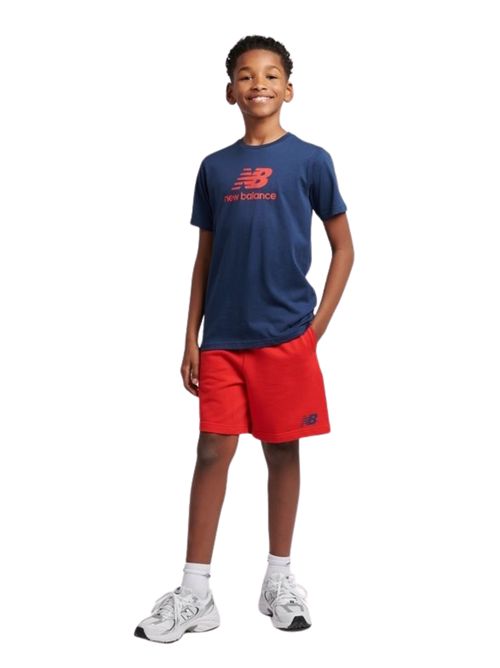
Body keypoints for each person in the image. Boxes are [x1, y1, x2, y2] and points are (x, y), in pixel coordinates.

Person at [134, 34, 355, 644]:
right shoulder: (215, 168)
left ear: (289, 89)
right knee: (212, 451)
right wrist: (191, 338)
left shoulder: (311, 160)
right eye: (246, 75)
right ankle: (195, 592)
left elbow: (344, 247)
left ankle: (278, 580)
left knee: (282, 451)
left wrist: (316, 327)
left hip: (286, 338)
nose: (259, 83)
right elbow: (204, 259)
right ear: (230, 91)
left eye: (271, 74)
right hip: (224, 340)